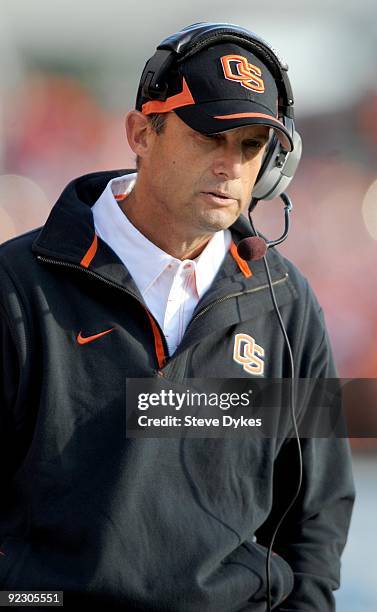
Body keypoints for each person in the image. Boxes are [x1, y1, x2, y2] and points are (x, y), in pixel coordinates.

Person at [0, 22, 355, 611]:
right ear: (142, 132)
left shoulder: (286, 303)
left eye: (249, 147)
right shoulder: (16, 288)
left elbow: (315, 512)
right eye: (209, 137)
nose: (231, 167)